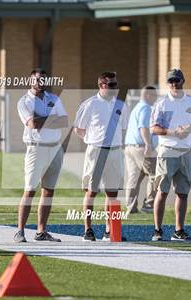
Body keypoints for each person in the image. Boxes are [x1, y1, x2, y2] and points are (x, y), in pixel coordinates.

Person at [13, 69, 68, 243]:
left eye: (43, 80)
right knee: (29, 190)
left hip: (55, 148)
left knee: (48, 191)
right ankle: (20, 231)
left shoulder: (54, 99)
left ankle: (41, 231)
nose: (40, 82)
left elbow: (65, 121)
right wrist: (52, 119)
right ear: (30, 81)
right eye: (37, 79)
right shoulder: (24, 101)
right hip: (36, 149)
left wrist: (43, 119)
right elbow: (32, 124)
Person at [150, 69, 191, 241]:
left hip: (186, 151)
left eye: (177, 80)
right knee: (162, 191)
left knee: (182, 192)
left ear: (183, 81)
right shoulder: (162, 103)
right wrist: (172, 132)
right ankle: (158, 230)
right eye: (171, 81)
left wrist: (188, 129)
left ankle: (178, 231)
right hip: (167, 150)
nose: (174, 84)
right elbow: (155, 128)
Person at [74, 71, 128, 241]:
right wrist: (93, 141)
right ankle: (88, 230)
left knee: (112, 193)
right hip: (96, 151)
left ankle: (109, 230)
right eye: (111, 85)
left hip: (115, 151)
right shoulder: (90, 104)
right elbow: (79, 129)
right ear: (101, 85)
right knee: (91, 191)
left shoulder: (121, 105)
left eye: (116, 84)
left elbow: (123, 128)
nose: (115, 88)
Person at [124, 85, 158, 215]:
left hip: (130, 147)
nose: (155, 98)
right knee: (155, 175)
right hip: (141, 148)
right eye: (154, 95)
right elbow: (143, 127)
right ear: (148, 95)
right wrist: (148, 144)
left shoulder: (136, 108)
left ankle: (130, 207)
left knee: (134, 178)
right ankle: (149, 204)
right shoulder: (146, 108)